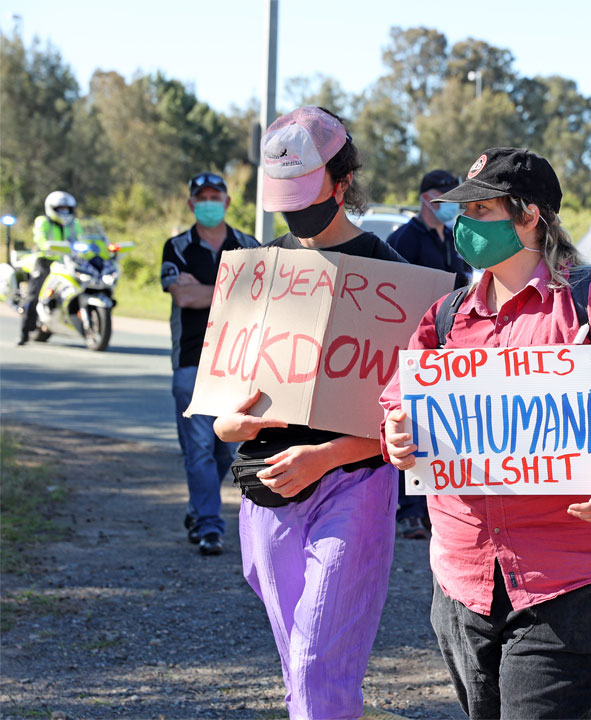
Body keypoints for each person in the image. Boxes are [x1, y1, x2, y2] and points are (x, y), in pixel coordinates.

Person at [380, 147, 591, 720]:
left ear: (529, 216)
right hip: (463, 579)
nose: (463, 224)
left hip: (574, 578)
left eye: (480, 209)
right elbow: (398, 404)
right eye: (462, 210)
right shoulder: (446, 317)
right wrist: (398, 433)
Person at [213, 106, 406, 720]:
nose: (294, 211)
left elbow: (415, 416)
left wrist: (326, 455)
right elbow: (222, 409)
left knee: (316, 664)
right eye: (284, 196)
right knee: (302, 664)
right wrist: (229, 427)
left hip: (354, 485)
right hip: (266, 492)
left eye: (306, 191)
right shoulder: (257, 269)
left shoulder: (396, 277)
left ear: (343, 181)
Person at [161, 172, 258, 556]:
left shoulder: (248, 245)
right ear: (190, 204)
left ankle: (198, 507)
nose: (208, 202)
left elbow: (260, 297)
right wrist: (232, 288)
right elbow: (182, 298)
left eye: (215, 196)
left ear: (228, 202)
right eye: (201, 197)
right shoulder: (177, 247)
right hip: (190, 362)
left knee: (224, 450)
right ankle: (209, 526)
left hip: (239, 363)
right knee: (198, 448)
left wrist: (205, 290)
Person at [387, 169, 473, 539]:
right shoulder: (402, 239)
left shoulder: (454, 237)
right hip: (412, 346)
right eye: (444, 196)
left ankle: (431, 508)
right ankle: (408, 511)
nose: (450, 205)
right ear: (427, 198)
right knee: (409, 426)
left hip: (447, 345)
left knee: (438, 427)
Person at [17, 191, 83, 345]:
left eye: (67, 209)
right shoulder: (43, 221)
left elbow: (81, 238)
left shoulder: (75, 224)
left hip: (67, 261)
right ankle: (24, 333)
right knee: (34, 295)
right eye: (61, 208)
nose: (64, 212)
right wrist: (46, 245)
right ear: (52, 208)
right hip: (46, 260)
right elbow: (40, 237)